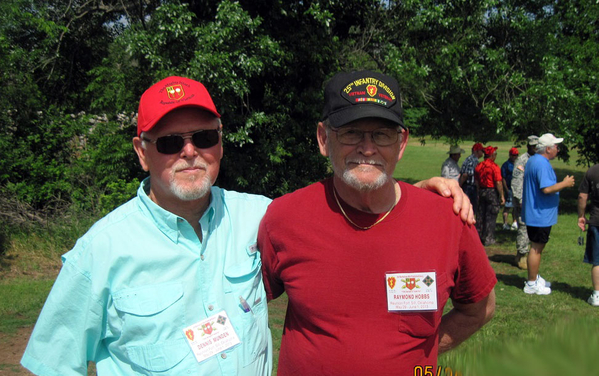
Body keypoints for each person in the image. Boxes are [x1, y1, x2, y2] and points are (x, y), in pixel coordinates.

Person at [21, 76, 474, 376]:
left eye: (204, 137)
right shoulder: (100, 250)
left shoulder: (262, 216)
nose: (189, 152)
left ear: (220, 142)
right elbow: (53, 364)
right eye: (169, 142)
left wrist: (418, 193)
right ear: (141, 151)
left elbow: (350, 195)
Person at [258, 70, 496, 376]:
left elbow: (481, 308)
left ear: (401, 142)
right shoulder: (284, 217)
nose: (367, 148)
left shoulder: (447, 219)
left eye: (382, 134)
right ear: (323, 138)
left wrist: (417, 355)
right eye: (351, 132)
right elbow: (244, 305)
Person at [522, 133, 575, 295]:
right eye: (556, 146)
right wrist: (565, 184)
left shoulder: (533, 160)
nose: (558, 149)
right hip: (539, 214)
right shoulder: (542, 164)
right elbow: (546, 189)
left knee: (537, 246)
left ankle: (534, 277)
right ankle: (531, 284)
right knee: (536, 248)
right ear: (548, 149)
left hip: (536, 212)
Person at [511, 135, 539, 269]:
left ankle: (526, 253)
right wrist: (520, 200)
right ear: (528, 146)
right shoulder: (522, 160)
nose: (535, 148)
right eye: (533, 146)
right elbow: (517, 182)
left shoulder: (537, 159)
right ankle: (522, 255)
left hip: (534, 200)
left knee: (531, 227)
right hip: (523, 200)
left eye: (537, 146)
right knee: (523, 227)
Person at [577, 163, 599, 306]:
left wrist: (581, 216)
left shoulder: (593, 171)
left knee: (597, 260)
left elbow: (582, 197)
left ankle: (597, 295)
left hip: (597, 220)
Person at [475, 146, 505, 246]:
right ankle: (489, 238)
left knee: (480, 215)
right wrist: (502, 196)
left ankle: (479, 236)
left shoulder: (479, 166)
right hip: (491, 192)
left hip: (482, 191)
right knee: (491, 215)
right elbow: (498, 182)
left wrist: (478, 192)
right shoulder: (494, 167)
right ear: (492, 155)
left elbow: (476, 181)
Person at [460, 142, 485, 215]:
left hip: (468, 186)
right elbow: (466, 174)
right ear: (476, 151)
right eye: (481, 151)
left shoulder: (468, 159)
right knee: (470, 207)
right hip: (469, 187)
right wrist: (459, 185)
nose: (482, 153)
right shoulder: (473, 161)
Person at [501, 147, 519, 230]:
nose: (514, 157)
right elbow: (503, 178)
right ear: (510, 155)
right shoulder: (506, 165)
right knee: (508, 206)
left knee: (516, 206)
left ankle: (515, 222)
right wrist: (506, 189)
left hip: (517, 188)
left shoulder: (519, 164)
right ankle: (505, 223)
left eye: (516, 155)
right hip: (509, 188)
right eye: (513, 155)